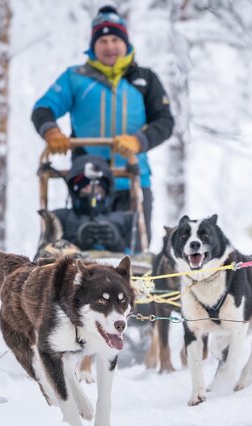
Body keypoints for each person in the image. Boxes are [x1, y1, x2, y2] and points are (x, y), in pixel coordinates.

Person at [31, 4, 174, 246]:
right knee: (85, 252)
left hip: (134, 180)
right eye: (103, 40)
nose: (109, 46)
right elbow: (43, 109)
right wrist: (51, 131)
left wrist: (139, 141)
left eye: (115, 40)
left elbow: (165, 121)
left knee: (135, 254)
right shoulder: (75, 77)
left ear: (125, 43)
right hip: (87, 181)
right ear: (93, 45)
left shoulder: (144, 79)